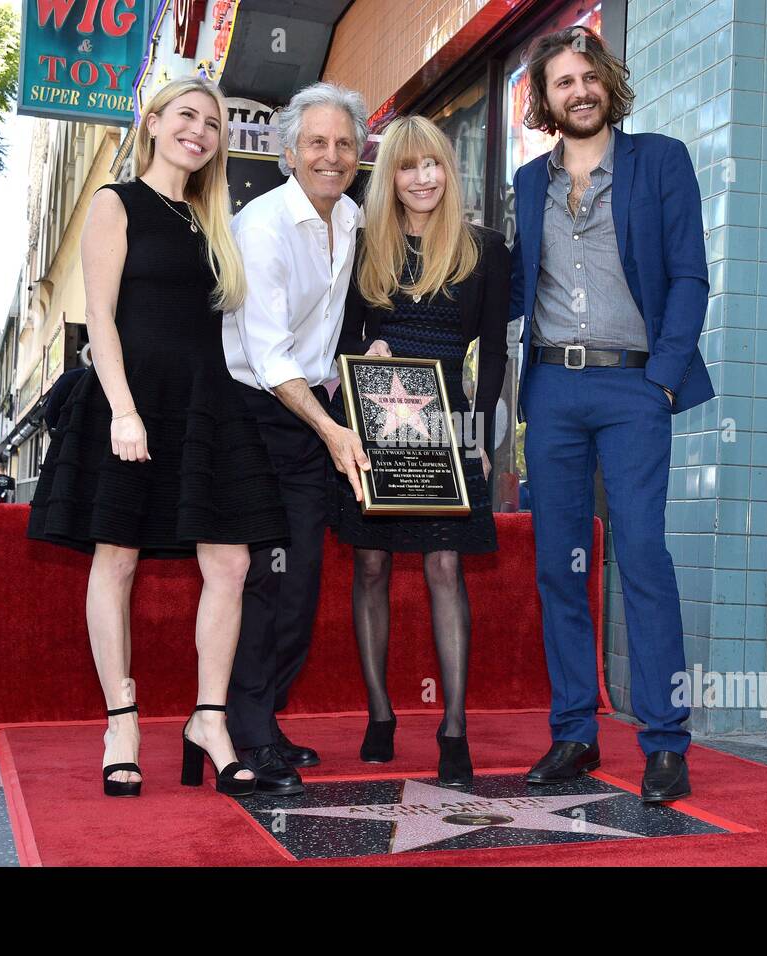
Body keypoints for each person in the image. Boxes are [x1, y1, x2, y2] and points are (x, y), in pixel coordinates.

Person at [26, 75, 290, 798]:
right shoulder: (117, 204)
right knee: (116, 558)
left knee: (231, 563)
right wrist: (122, 410)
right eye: (185, 116)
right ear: (152, 123)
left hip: (206, 402)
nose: (199, 131)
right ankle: (122, 722)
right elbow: (100, 319)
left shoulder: (212, 221)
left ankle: (209, 718)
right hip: (133, 397)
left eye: (211, 123)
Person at [509, 27, 713, 803]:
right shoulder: (530, 183)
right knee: (559, 564)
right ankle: (574, 734)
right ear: (547, 98)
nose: (579, 91)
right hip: (554, 390)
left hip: (634, 389)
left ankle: (665, 742)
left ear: (608, 85)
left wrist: (661, 380)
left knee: (643, 556)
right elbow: (517, 283)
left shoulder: (660, 160)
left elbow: (690, 275)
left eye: (588, 77)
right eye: (562, 82)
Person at [329, 116, 510, 788]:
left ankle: (453, 726)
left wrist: (480, 433)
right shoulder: (363, 244)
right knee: (371, 565)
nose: (423, 177)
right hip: (376, 418)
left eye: (432, 163)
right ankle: (380, 713)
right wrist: (362, 352)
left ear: (447, 169)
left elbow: (493, 351)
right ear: (391, 177)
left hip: (448, 422)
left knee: (443, 566)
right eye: (407, 166)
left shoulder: (485, 248)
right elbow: (343, 336)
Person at [223, 81, 371, 795]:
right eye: (316, 142)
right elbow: (271, 351)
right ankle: (242, 734)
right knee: (265, 579)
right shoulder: (262, 225)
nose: (331, 155)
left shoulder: (349, 217)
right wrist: (332, 427)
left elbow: (327, 332)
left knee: (301, 579)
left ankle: (266, 719)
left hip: (311, 415)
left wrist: (360, 370)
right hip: (253, 416)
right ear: (287, 152)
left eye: (344, 143)